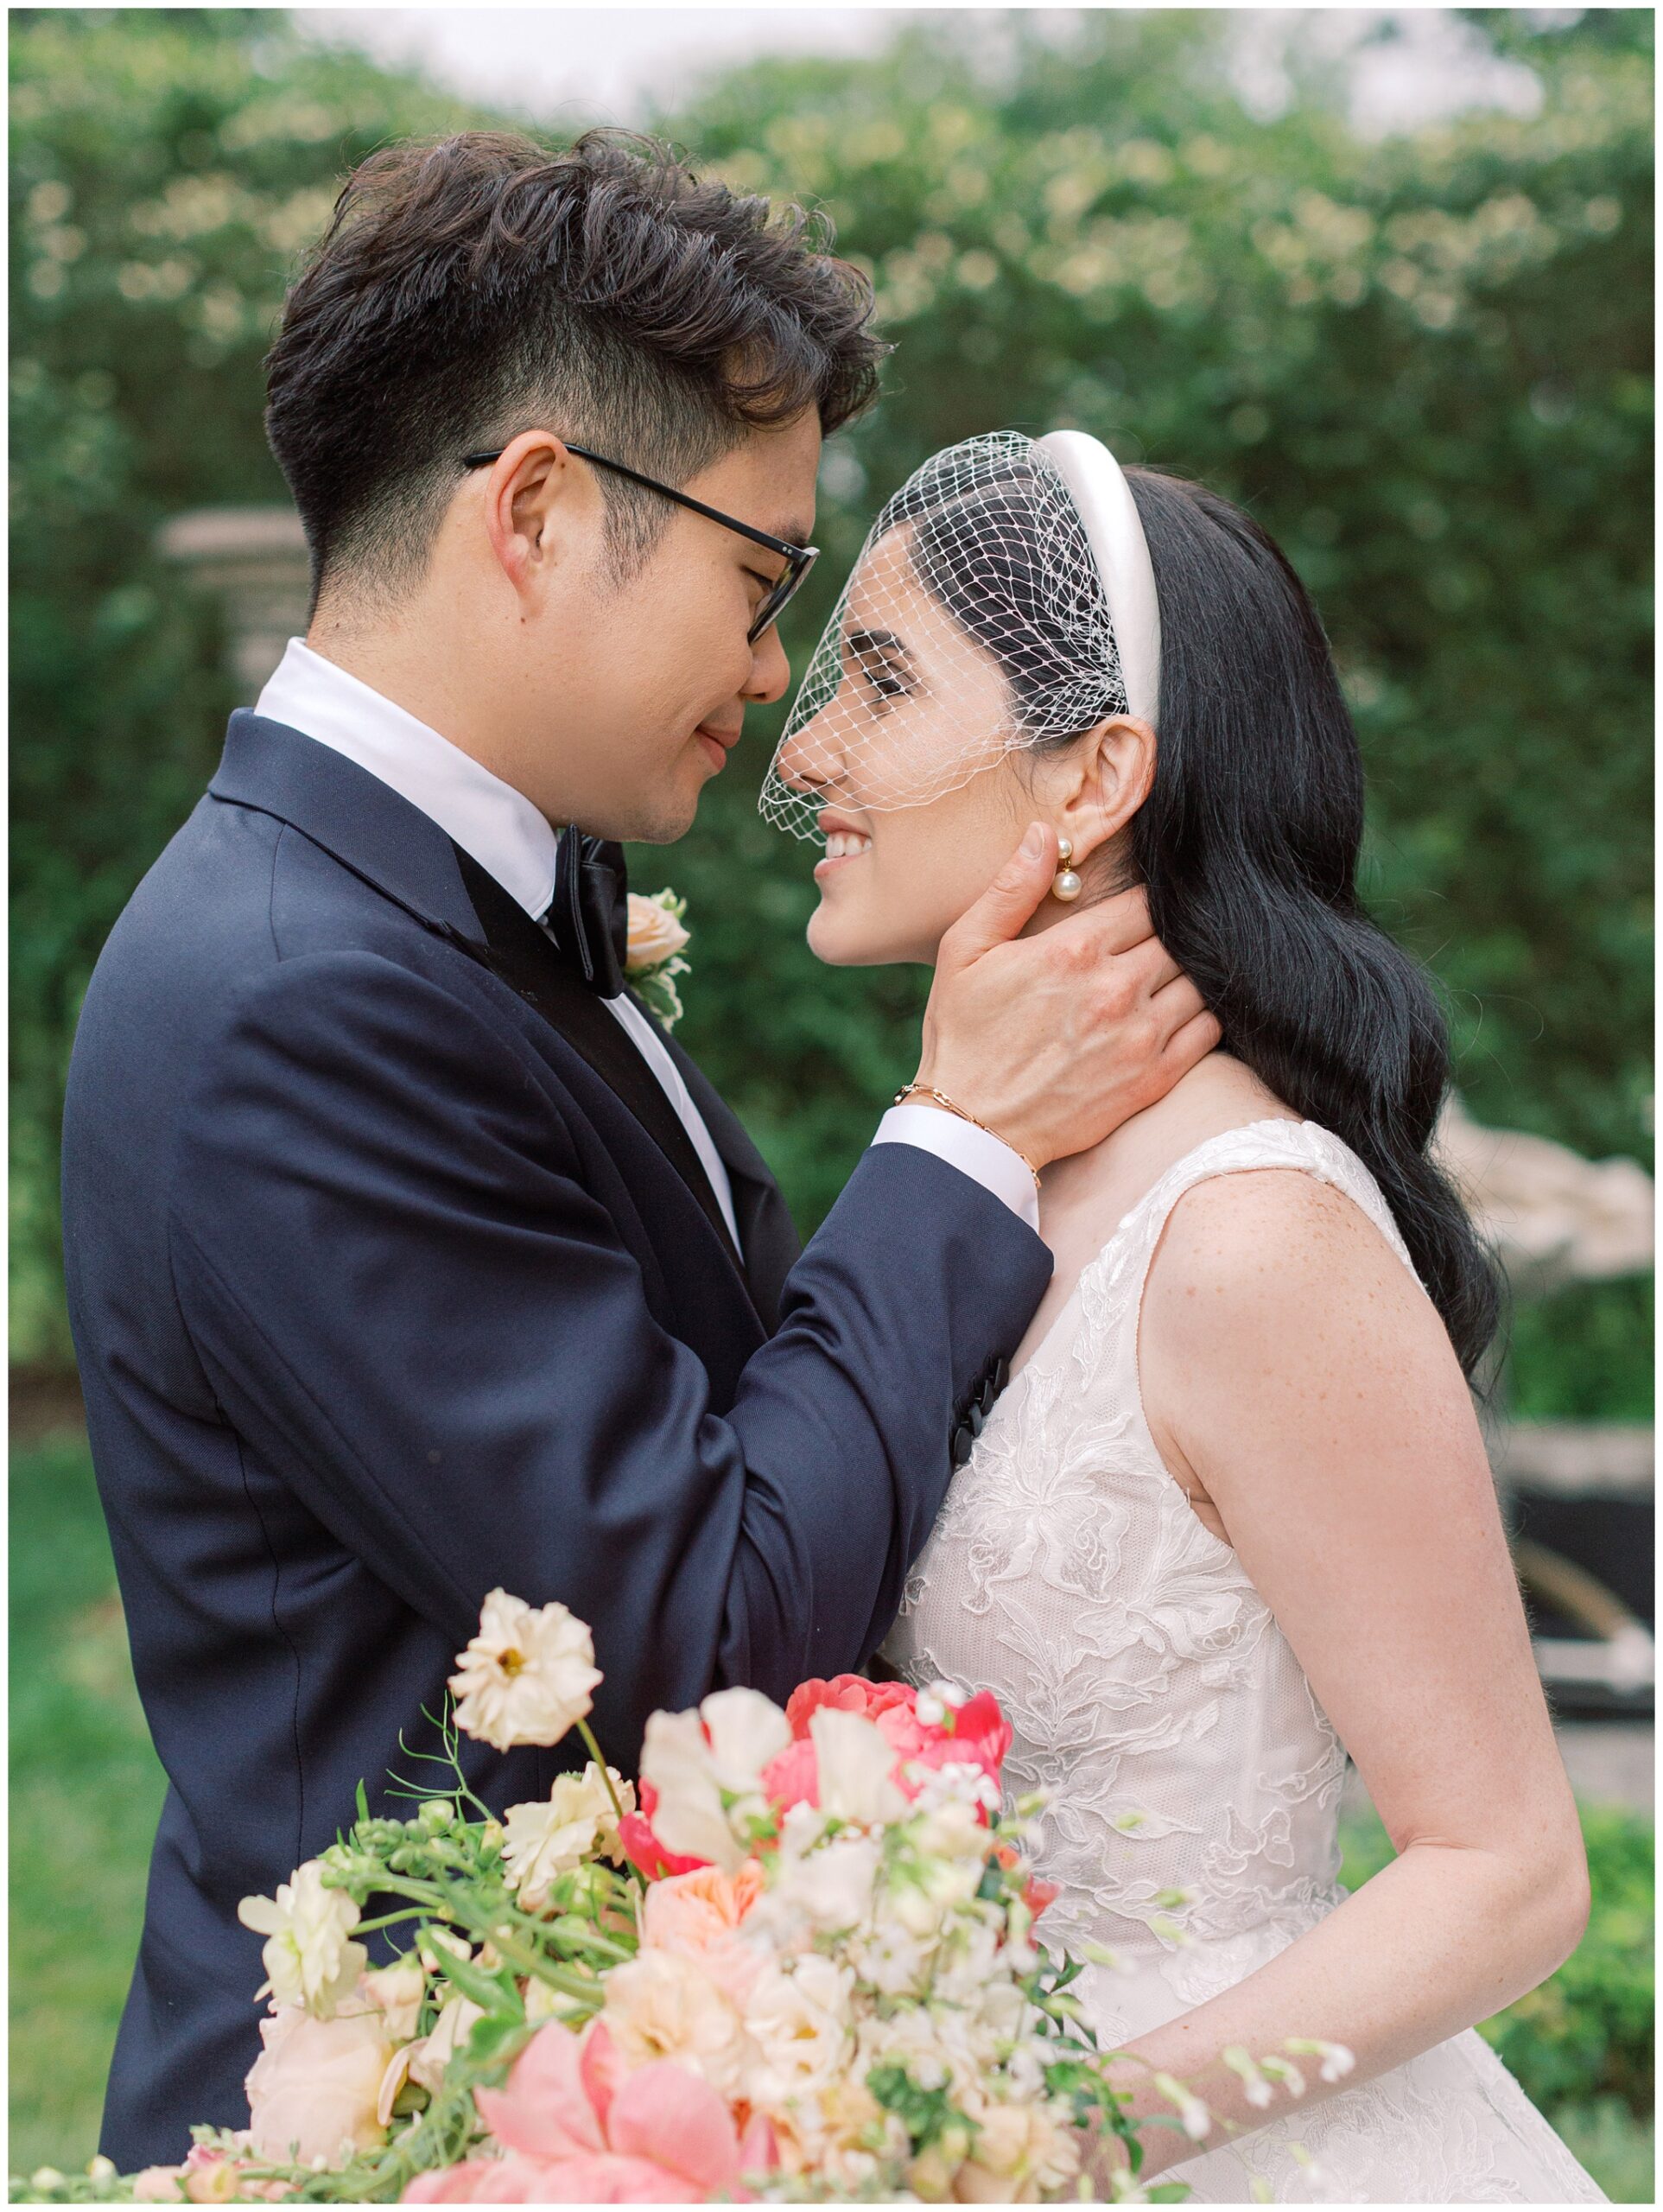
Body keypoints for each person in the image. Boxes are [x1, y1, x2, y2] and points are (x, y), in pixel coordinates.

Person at [60, 137, 1216, 2171]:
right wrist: (955, 1138)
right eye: (761, 580)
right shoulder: (295, 999)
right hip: (412, 2119)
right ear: (537, 508)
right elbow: (692, 1630)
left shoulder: (445, 910)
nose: (774, 677)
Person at [765, 429, 1604, 2202]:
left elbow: (1508, 1866)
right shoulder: (992, 1175)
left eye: (882, 680)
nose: (807, 746)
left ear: (1093, 776)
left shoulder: (1251, 1239)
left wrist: (1051, 2141)